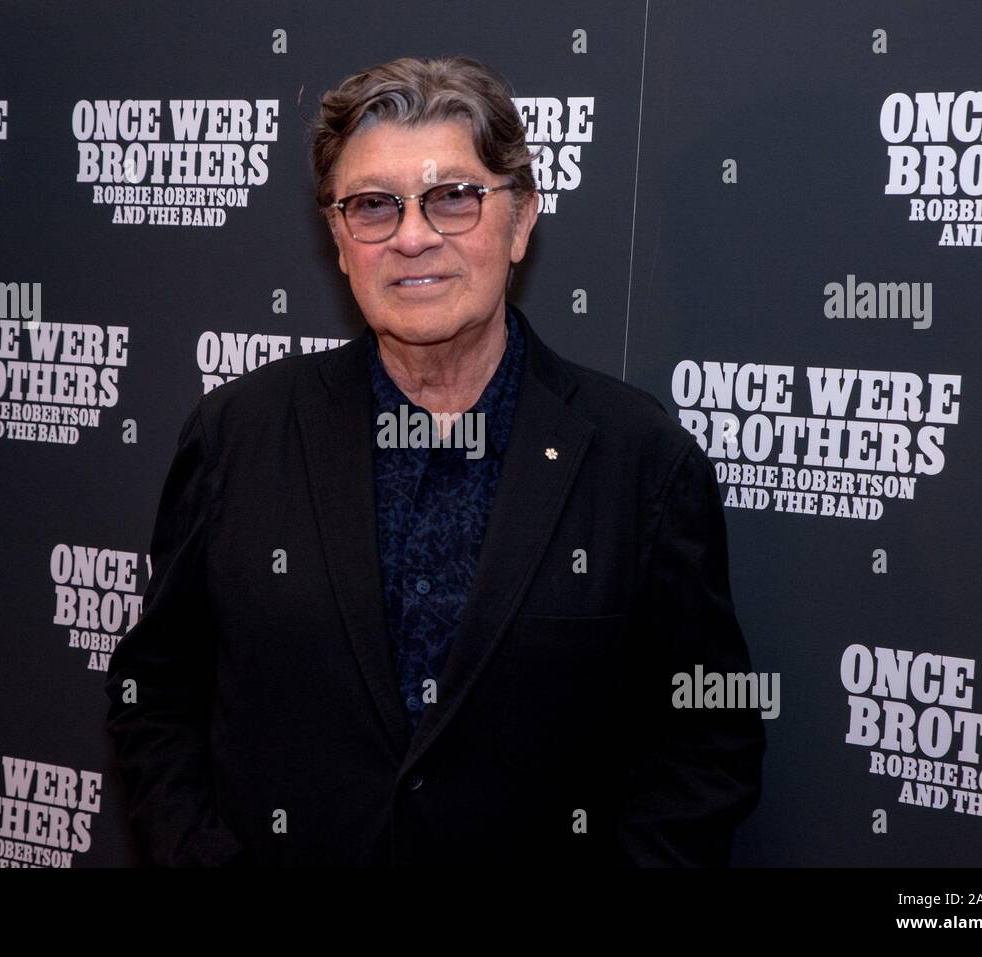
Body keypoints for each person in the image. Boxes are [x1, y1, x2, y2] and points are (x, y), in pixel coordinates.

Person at [105, 54, 764, 867]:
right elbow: (155, 694)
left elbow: (705, 741)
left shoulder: (640, 459)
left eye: (454, 197)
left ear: (521, 221)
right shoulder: (237, 433)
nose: (413, 236)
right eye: (373, 206)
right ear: (340, 240)